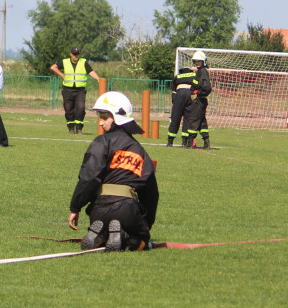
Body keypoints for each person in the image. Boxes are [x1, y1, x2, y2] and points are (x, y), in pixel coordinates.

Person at [67, 91, 159, 251]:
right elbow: (151, 193)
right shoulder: (140, 151)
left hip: (98, 210)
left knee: (104, 226)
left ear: (118, 117)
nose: (101, 123)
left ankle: (100, 235)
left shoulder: (101, 142)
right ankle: (126, 237)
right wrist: (146, 223)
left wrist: (76, 207)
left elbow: (89, 178)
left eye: (104, 117)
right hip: (128, 210)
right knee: (142, 239)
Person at [50, 46, 101, 134]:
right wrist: (62, 75)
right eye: (74, 54)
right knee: (68, 109)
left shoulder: (83, 62)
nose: (76, 56)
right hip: (67, 90)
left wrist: (99, 79)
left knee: (80, 108)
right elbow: (53, 67)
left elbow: (91, 71)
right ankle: (71, 128)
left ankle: (79, 128)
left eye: (77, 54)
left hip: (80, 90)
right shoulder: (65, 62)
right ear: (71, 54)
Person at [167, 64, 199, 147]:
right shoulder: (195, 75)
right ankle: (184, 142)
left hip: (179, 94)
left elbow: (173, 92)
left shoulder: (178, 76)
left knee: (175, 117)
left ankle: (170, 141)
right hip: (191, 94)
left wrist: (175, 103)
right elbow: (198, 88)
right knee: (188, 118)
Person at [187, 50, 212, 149]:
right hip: (200, 100)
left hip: (199, 101)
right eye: (196, 61)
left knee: (194, 119)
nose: (197, 63)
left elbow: (206, 87)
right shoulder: (200, 71)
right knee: (202, 122)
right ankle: (206, 143)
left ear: (203, 61)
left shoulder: (203, 72)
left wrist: (197, 93)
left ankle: (189, 142)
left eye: (199, 61)